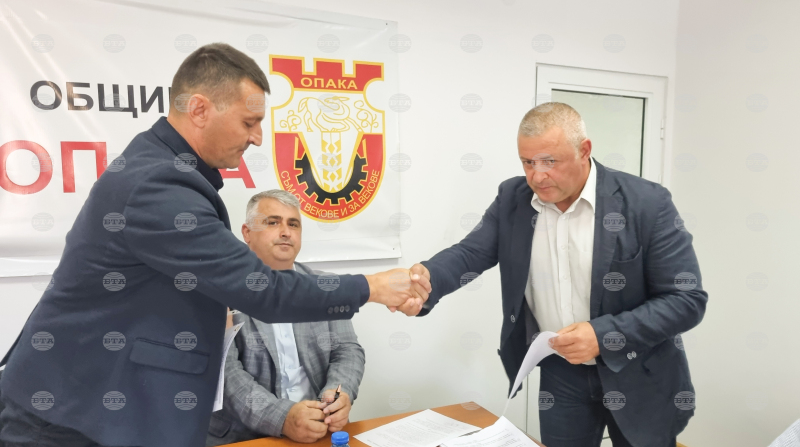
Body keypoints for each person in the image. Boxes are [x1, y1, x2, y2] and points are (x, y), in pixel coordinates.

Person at [0, 43, 428, 447]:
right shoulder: (158, 185)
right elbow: (265, 291)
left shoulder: (167, 171)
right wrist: (373, 286)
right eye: (249, 122)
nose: (258, 138)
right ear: (200, 109)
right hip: (68, 418)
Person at [398, 103, 707, 446]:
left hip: (639, 371)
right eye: (528, 162)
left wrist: (603, 335)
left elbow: (686, 300)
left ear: (584, 150)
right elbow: (470, 253)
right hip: (562, 374)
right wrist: (426, 279)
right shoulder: (513, 198)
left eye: (549, 161)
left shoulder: (647, 203)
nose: (537, 176)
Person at [206, 190, 365, 445]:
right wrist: (283, 418)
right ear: (247, 233)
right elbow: (226, 372)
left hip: (317, 430)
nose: (286, 232)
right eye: (273, 222)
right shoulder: (220, 290)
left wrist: (338, 394)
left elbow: (347, 350)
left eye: (293, 224)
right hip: (244, 437)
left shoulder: (325, 286)